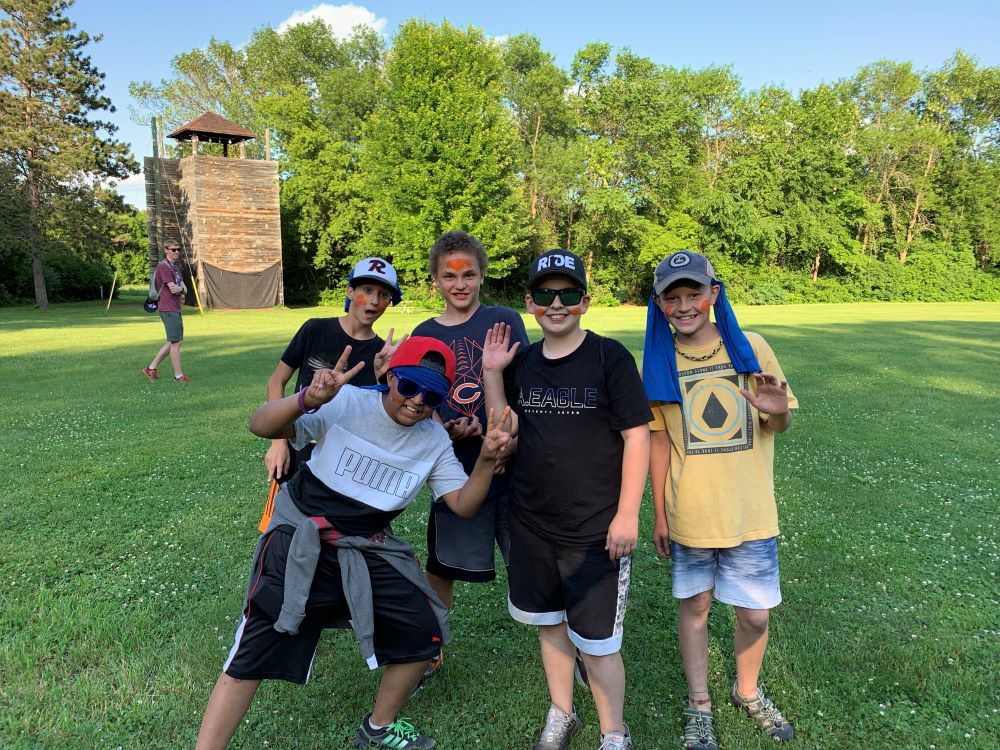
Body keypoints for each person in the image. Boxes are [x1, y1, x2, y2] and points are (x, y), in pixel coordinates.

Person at [194, 337, 513, 750]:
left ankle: (379, 727)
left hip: (367, 546)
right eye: (410, 386)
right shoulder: (348, 403)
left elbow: (463, 504)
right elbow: (260, 425)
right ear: (391, 376)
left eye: (432, 395)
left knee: (423, 629)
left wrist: (486, 461)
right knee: (253, 651)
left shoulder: (433, 439)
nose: (417, 401)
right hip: (300, 537)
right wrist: (307, 398)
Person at [482, 249, 651, 750]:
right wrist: (493, 374)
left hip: (595, 528)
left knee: (598, 646)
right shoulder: (524, 363)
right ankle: (562, 712)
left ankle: (613, 733)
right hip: (532, 522)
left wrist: (626, 515)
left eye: (569, 294)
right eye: (545, 295)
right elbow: (502, 430)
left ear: (585, 300)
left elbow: (637, 437)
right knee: (550, 627)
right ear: (530, 302)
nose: (557, 304)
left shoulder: (609, 357)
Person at [642, 250, 798, 750]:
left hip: (749, 510)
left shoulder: (750, 347)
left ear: (713, 294)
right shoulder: (659, 359)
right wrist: (660, 515)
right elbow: (660, 441)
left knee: (754, 614)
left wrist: (779, 412)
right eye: (673, 297)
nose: (685, 305)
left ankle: (746, 689)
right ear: (660, 303)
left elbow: (778, 419)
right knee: (696, 609)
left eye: (694, 293)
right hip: (691, 511)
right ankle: (699, 705)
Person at [411, 230, 529, 626]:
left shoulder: (504, 320)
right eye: (449, 276)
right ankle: (430, 643)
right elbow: (418, 404)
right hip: (456, 472)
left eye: (468, 275)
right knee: (443, 566)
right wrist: (445, 427)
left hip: (514, 471)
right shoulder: (425, 333)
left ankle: (570, 646)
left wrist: (511, 440)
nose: (459, 284)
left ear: (482, 276)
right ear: (436, 280)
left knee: (531, 560)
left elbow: (526, 391)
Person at [263, 257, 405, 486]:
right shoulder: (315, 329)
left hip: (345, 459)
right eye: (366, 290)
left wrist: (384, 377)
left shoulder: (382, 355)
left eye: (384, 295)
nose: (374, 301)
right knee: (286, 518)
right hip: (298, 445)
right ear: (350, 292)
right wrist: (278, 442)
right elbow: (277, 381)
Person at [142, 242, 190, 382]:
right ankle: (178, 376)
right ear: (166, 251)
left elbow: (184, 289)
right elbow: (174, 289)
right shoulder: (163, 266)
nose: (177, 252)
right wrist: (180, 288)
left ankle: (151, 368)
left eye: (178, 250)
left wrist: (180, 288)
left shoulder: (175, 268)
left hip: (175, 307)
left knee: (175, 341)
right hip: (167, 308)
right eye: (173, 250)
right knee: (175, 342)